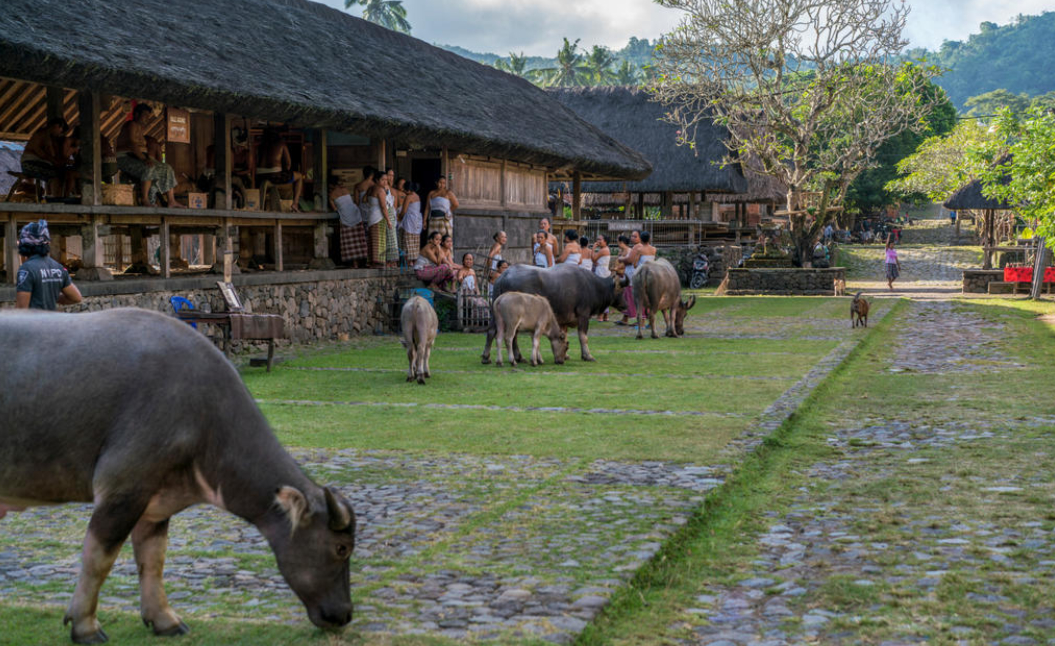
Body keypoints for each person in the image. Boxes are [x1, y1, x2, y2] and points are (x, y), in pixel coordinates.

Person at [115, 104, 182, 207]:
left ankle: (171, 200)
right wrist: (143, 159)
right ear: (137, 114)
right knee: (149, 168)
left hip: (139, 157)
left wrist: (145, 157)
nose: (147, 119)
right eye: (145, 116)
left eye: (148, 116)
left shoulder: (140, 128)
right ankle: (145, 200)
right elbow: (132, 144)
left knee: (167, 168)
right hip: (125, 157)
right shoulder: (131, 124)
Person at [14, 220, 82, 310]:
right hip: (51, 322)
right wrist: (51, 297)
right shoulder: (59, 268)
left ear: (24, 246)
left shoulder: (26, 270)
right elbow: (76, 298)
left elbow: (21, 309)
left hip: (33, 323)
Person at [256, 128, 304, 212]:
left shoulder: (261, 145)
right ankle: (295, 204)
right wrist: (285, 172)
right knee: (299, 176)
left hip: (260, 176)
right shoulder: (281, 144)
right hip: (275, 175)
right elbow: (288, 164)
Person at [20, 117, 67, 195]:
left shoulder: (48, 137)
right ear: (56, 126)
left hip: (37, 162)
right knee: (54, 175)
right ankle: (55, 199)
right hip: (29, 164)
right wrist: (53, 161)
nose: (60, 132)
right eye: (60, 129)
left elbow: (52, 154)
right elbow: (39, 152)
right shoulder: (40, 135)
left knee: (61, 173)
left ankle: (52, 196)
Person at [331, 176, 367, 267]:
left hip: (346, 217)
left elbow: (335, 208)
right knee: (359, 240)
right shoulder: (345, 189)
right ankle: (361, 262)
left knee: (350, 243)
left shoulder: (331, 195)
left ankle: (354, 264)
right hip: (355, 214)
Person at [615, 231, 642, 325]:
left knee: (630, 296)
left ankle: (638, 318)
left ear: (640, 238)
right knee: (627, 295)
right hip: (629, 273)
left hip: (632, 273)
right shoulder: (635, 247)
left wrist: (621, 259)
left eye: (635, 236)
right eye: (632, 236)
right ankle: (625, 317)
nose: (632, 238)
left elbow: (630, 260)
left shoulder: (637, 247)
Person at [365, 170, 390, 268]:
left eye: (386, 180)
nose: (385, 182)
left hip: (371, 216)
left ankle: (370, 261)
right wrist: (388, 220)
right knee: (379, 240)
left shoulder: (371, 189)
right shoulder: (380, 190)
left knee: (372, 239)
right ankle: (377, 262)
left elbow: (365, 200)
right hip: (379, 217)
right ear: (377, 180)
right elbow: (384, 207)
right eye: (383, 180)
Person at [398, 181, 423, 265]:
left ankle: (409, 261)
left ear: (408, 189)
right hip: (416, 221)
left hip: (409, 220)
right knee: (415, 240)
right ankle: (414, 260)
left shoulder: (408, 197)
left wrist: (399, 218)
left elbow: (404, 211)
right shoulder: (417, 196)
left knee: (407, 240)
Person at [383, 173, 399, 267]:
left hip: (391, 215)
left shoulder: (391, 190)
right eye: (389, 175)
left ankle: (393, 261)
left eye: (392, 175)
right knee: (386, 239)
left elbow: (394, 206)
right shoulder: (382, 188)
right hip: (385, 215)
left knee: (392, 239)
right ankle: (388, 260)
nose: (390, 178)